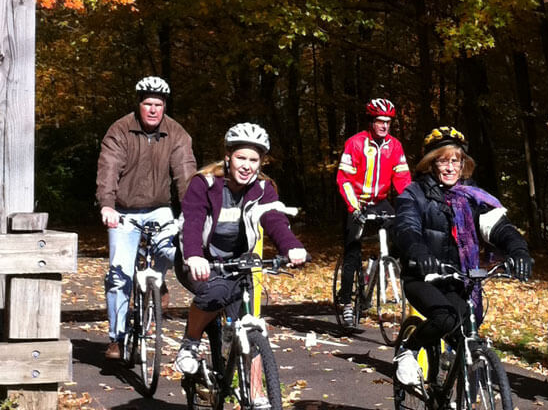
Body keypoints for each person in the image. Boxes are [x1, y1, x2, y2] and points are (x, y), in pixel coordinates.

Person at [391, 126, 533, 386]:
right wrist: (419, 251)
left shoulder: (472, 195)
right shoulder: (414, 194)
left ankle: (450, 388)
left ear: (463, 163)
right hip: (423, 276)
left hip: (459, 278)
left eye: (455, 160)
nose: (449, 167)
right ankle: (408, 349)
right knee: (444, 318)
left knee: (468, 331)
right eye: (443, 160)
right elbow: (406, 228)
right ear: (431, 164)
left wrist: (519, 250)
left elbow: (499, 226)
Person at [173, 122, 308, 375]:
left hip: (238, 263)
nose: (247, 165)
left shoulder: (262, 190)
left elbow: (275, 220)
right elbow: (192, 222)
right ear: (228, 157)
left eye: (254, 160)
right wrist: (193, 255)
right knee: (216, 291)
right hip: (201, 261)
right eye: (241, 157)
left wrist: (292, 247)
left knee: (247, 321)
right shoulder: (205, 184)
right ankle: (189, 343)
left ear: (261, 163)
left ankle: (254, 396)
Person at [96, 76, 197, 360]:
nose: (153, 110)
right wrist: (107, 205)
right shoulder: (120, 130)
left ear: (164, 107)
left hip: (159, 207)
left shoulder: (177, 133)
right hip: (124, 209)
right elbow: (108, 170)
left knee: (171, 250)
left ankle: (158, 283)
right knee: (119, 274)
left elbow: (186, 175)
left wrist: (193, 212)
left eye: (158, 104)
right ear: (139, 105)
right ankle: (117, 337)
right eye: (148, 104)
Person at [335, 98, 411, 324]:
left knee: (402, 231)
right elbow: (344, 178)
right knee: (352, 250)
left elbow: (403, 180)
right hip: (357, 201)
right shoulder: (355, 143)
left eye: (388, 122)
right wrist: (354, 208)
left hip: (380, 201)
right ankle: (347, 300)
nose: (384, 126)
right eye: (380, 121)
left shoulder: (395, 146)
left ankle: (380, 269)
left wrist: (410, 207)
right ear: (371, 122)